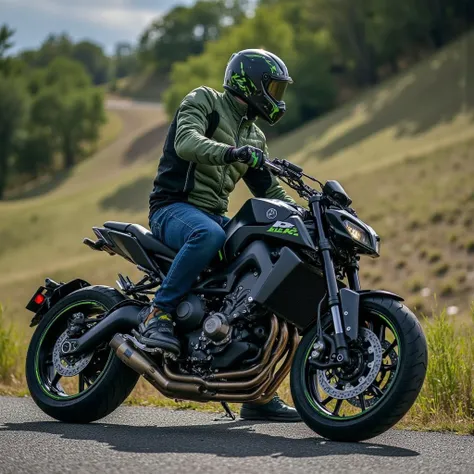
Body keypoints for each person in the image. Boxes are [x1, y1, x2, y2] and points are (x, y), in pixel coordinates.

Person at [138, 49, 300, 421]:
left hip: (212, 215)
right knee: (209, 233)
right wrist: (231, 151)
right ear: (250, 82)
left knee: (264, 267)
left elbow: (270, 191)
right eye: (273, 87)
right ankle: (157, 313)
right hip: (173, 208)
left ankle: (255, 391)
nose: (277, 97)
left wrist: (307, 216)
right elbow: (187, 143)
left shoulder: (255, 136)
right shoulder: (205, 101)